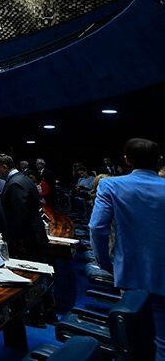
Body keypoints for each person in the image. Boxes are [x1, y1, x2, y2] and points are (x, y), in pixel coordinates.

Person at [90, 138, 165, 360]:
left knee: (134, 337)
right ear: (158, 160)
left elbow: (97, 227)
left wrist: (105, 262)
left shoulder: (110, 185)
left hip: (130, 271)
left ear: (127, 160)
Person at [0, 154, 47, 260]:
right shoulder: (20, 178)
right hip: (30, 236)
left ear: (4, 167)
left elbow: (19, 216)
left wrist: (14, 242)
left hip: (27, 240)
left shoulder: (15, 184)